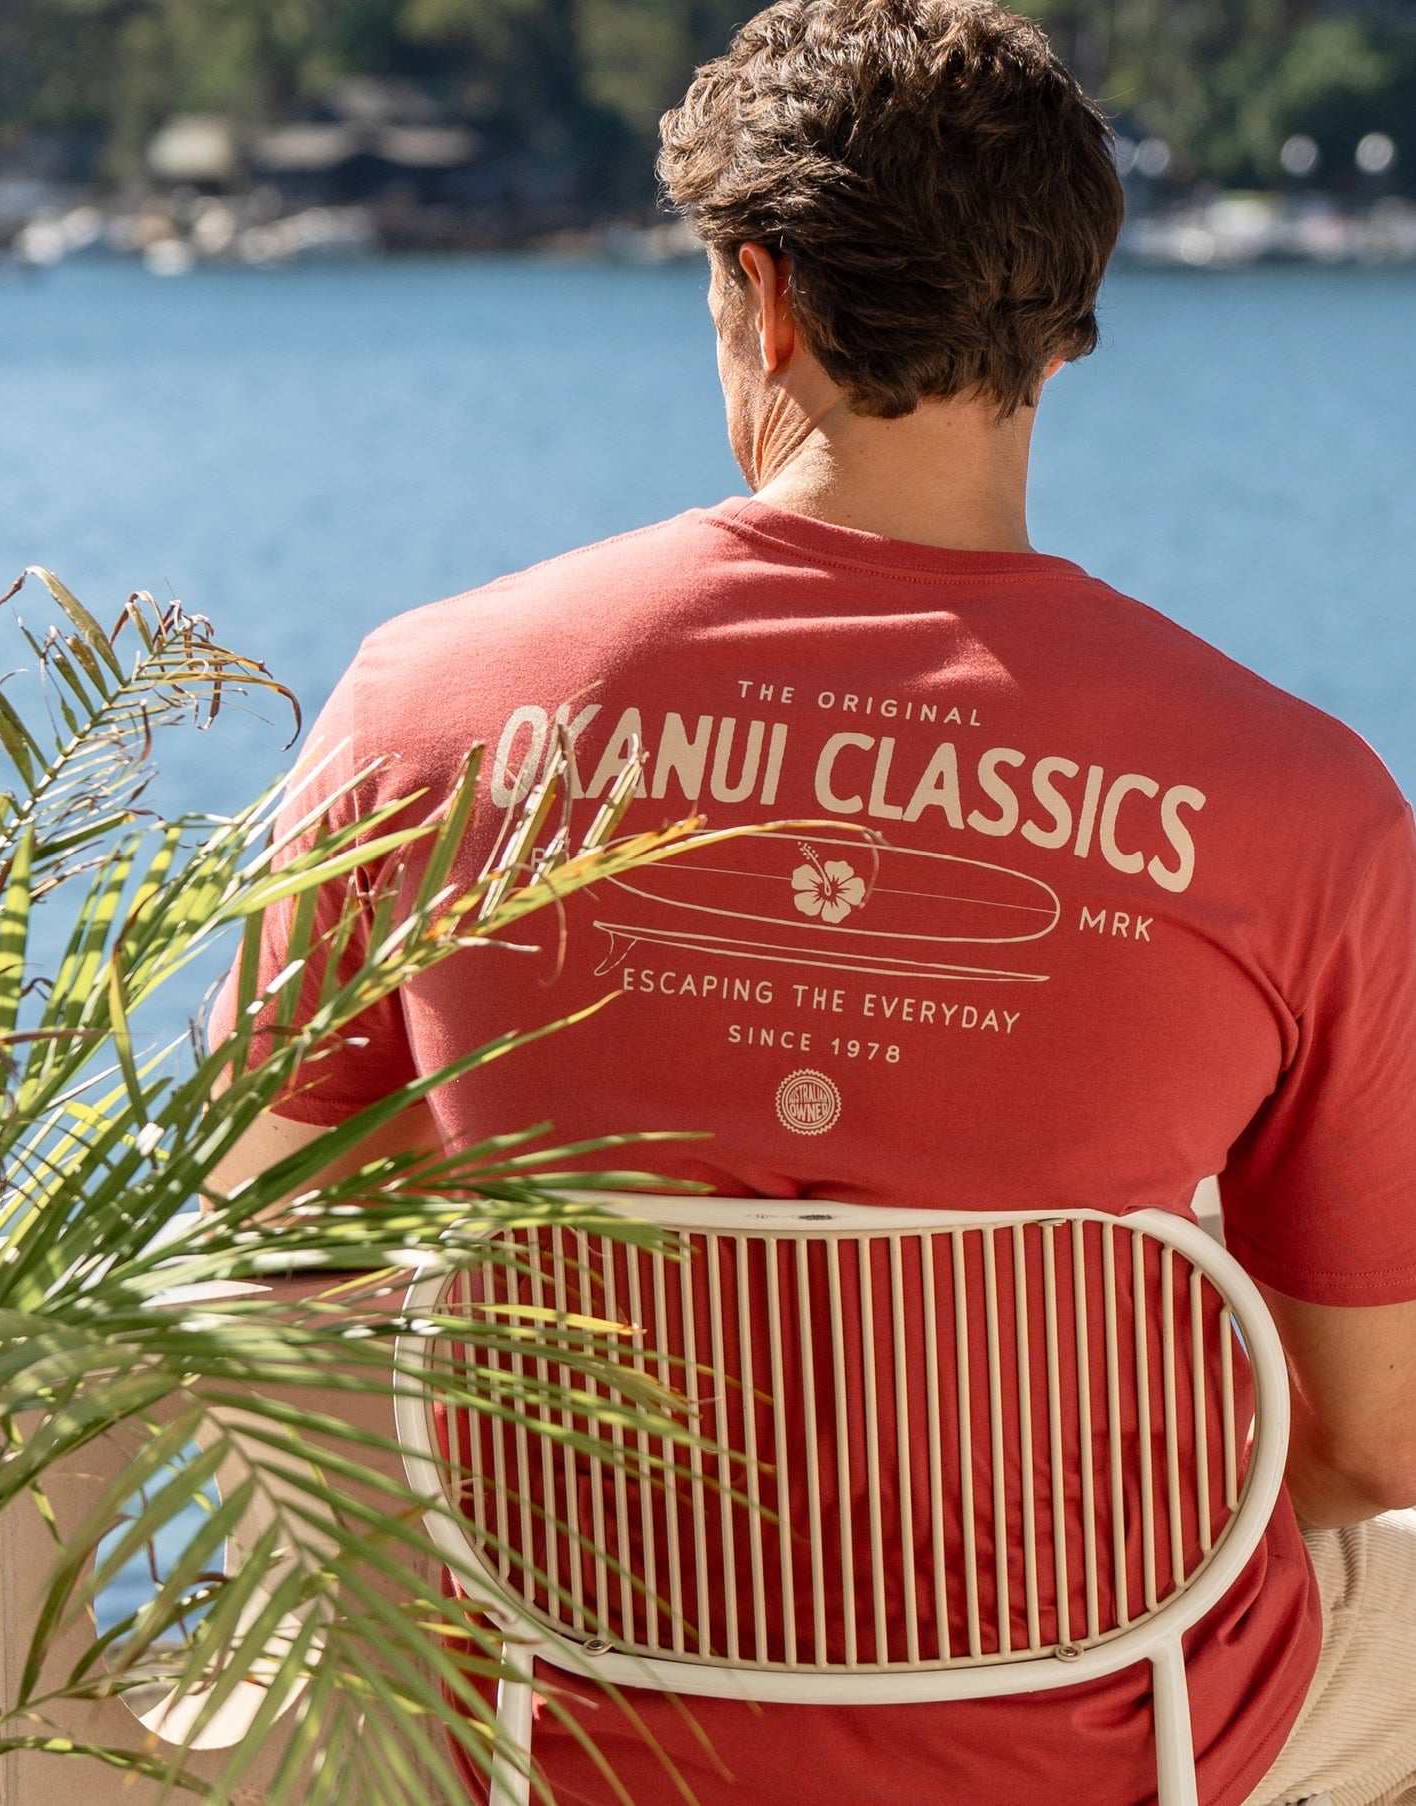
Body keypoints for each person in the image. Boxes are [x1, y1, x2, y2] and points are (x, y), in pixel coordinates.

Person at [210, 3, 1416, 1803]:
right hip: (1113, 1736)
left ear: (759, 301)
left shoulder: (427, 705)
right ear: (1068, 327)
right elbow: (1368, 1435)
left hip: (548, 1729)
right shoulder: (1302, 800)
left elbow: (242, 1256)